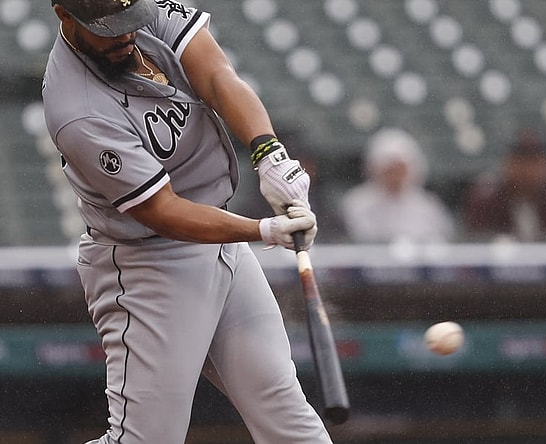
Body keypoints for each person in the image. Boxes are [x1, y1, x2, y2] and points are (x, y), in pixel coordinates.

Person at [41, 1, 332, 443]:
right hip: (149, 264)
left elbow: (217, 75)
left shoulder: (139, 11)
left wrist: (269, 154)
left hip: (218, 235)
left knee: (285, 412)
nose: (125, 35)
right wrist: (261, 230)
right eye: (109, 28)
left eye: (130, 21)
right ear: (65, 15)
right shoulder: (76, 107)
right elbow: (161, 210)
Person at [340, 127, 455, 243]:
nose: (395, 176)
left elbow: (443, 239)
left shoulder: (428, 206)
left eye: (400, 169)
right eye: (390, 170)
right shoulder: (357, 203)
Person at [462, 130, 546, 241]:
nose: (527, 171)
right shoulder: (486, 202)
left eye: (534, 162)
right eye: (520, 162)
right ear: (507, 163)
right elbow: (479, 248)